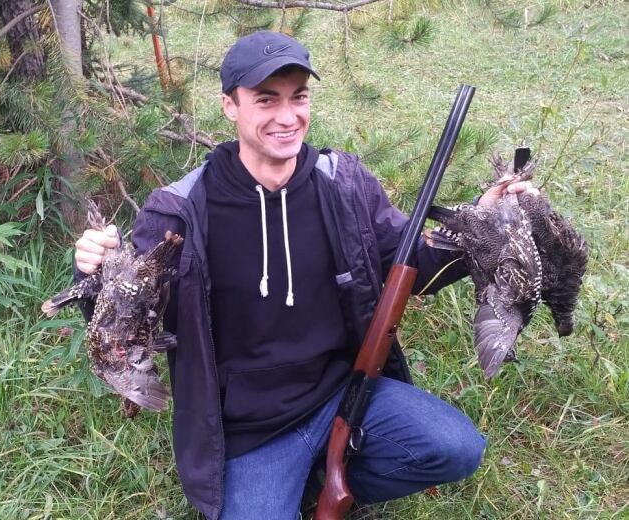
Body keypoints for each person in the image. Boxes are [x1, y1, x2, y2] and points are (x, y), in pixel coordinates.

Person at [73, 31, 538, 520]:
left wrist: (481, 223)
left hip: (344, 394)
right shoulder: (181, 211)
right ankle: (291, 480)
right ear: (230, 106)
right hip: (249, 429)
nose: (287, 116)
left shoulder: (343, 184)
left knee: (456, 447)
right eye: (266, 100)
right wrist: (97, 269)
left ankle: (330, 482)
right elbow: (128, 319)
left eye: (299, 97)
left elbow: (414, 266)